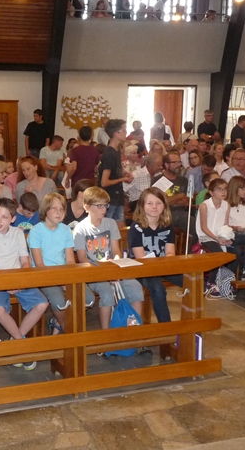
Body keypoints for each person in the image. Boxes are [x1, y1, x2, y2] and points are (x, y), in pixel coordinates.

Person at [0, 198, 49, 367]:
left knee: (42, 304)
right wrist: (5, 285)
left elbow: (25, 263)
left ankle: (15, 339)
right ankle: (21, 345)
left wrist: (19, 281)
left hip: (18, 278)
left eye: (4, 217)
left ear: (13, 219)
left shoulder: (18, 233)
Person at [73, 187, 145, 330]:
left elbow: (116, 251)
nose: (104, 209)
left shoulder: (110, 223)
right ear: (87, 207)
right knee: (107, 293)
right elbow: (82, 258)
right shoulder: (81, 229)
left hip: (113, 269)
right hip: (94, 273)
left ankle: (135, 329)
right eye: (99, 205)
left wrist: (114, 269)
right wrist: (104, 273)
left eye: (105, 205)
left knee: (135, 287)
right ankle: (106, 332)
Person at [128, 188, 179, 323]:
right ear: (142, 206)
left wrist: (167, 260)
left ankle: (193, 321)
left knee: (192, 280)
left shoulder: (167, 225)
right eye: (149, 203)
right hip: (143, 269)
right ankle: (166, 326)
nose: (154, 207)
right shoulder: (136, 227)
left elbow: (170, 252)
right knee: (158, 288)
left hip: (162, 266)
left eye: (158, 203)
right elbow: (140, 257)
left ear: (164, 205)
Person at [28, 193, 77, 334]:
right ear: (45, 210)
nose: (58, 212)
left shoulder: (66, 230)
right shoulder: (36, 231)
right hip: (44, 275)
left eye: (61, 209)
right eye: (54, 208)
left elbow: (70, 261)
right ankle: (68, 331)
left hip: (63, 273)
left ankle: (58, 323)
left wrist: (68, 279)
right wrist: (60, 281)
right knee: (59, 301)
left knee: (87, 299)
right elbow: (40, 265)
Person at [196, 178, 239, 297]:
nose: (223, 192)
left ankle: (227, 281)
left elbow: (225, 225)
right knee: (219, 254)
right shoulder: (205, 206)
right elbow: (204, 227)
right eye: (219, 189)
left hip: (220, 236)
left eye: (225, 189)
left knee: (236, 252)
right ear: (211, 192)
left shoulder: (226, 205)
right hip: (206, 237)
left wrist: (227, 238)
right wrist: (216, 238)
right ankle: (211, 282)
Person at [98, 119, 132, 222]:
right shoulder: (109, 153)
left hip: (117, 196)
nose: (126, 133)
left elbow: (115, 174)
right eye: (124, 130)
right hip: (109, 198)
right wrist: (123, 179)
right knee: (108, 227)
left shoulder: (117, 150)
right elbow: (104, 182)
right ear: (116, 134)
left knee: (119, 227)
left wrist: (124, 176)